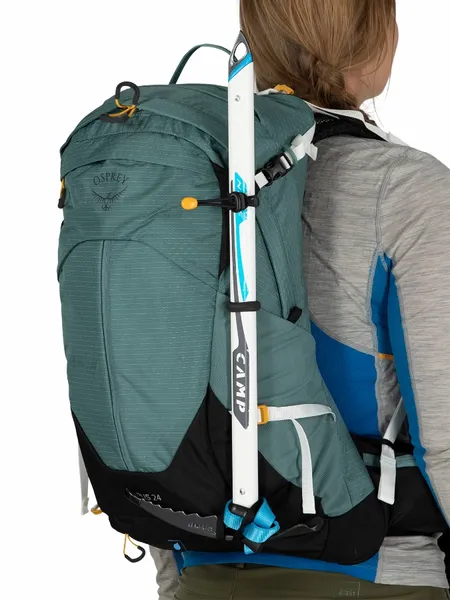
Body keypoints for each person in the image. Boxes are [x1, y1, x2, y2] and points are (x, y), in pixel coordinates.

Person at [151, 1, 450, 598]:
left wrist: (176, 579)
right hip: (377, 573)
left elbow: (160, 399)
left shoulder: (188, 181)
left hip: (201, 572)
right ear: (376, 39)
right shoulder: (407, 189)